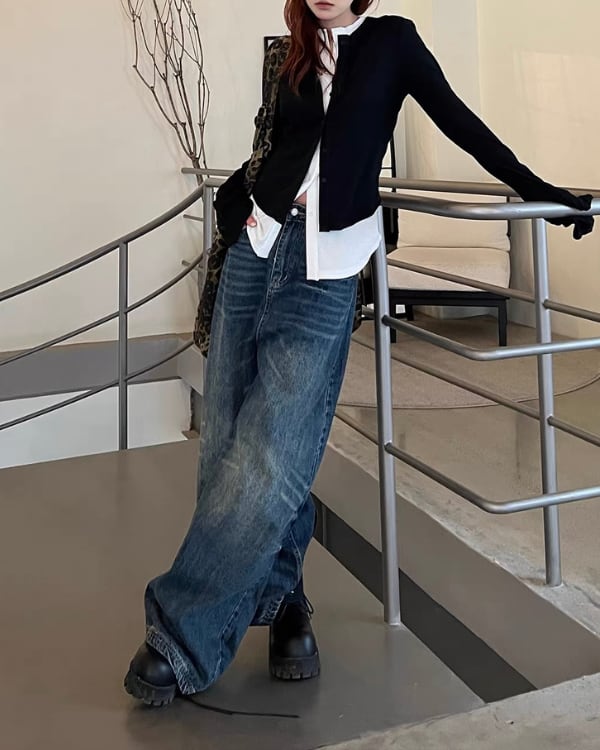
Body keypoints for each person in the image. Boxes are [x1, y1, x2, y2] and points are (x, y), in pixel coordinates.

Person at [124, 0, 593, 707]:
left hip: (327, 269)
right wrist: (236, 203)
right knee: (227, 443)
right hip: (256, 251)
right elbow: (278, 144)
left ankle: (179, 634)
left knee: (273, 453)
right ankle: (285, 603)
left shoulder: (392, 42)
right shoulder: (292, 46)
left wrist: (544, 194)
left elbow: (461, 124)